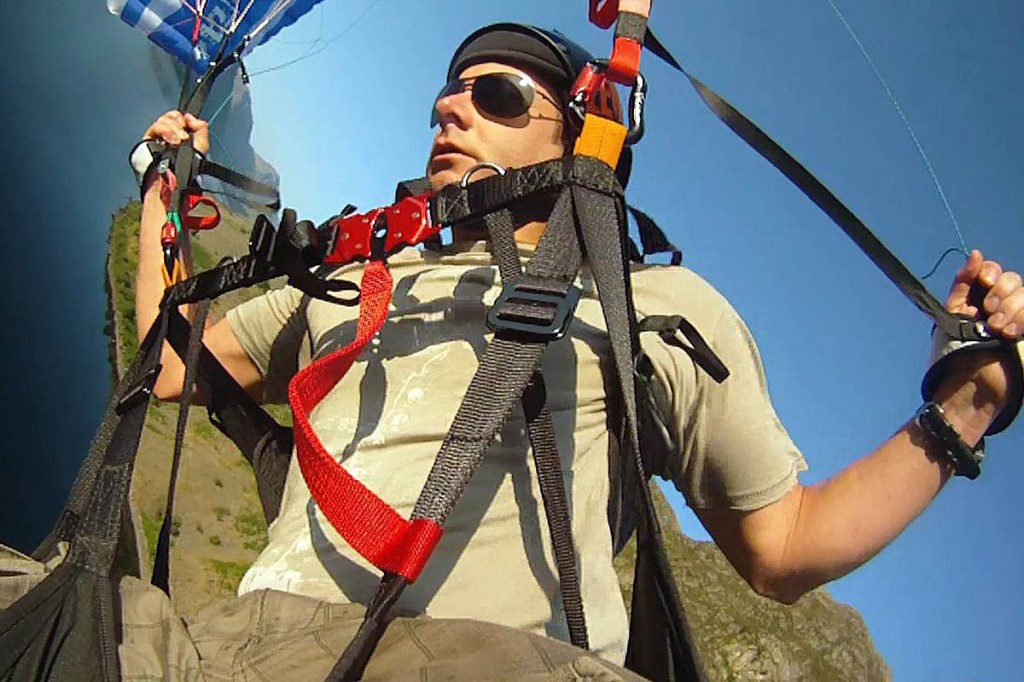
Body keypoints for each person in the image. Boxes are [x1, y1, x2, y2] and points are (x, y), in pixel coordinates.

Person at [123, 21, 1024, 679]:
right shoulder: (360, 278)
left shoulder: (653, 310)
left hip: (488, 662)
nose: (450, 106)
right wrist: (166, 190)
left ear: (585, 136)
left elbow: (784, 546)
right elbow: (168, 368)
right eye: (449, 91)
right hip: (241, 643)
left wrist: (968, 406)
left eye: (498, 95)